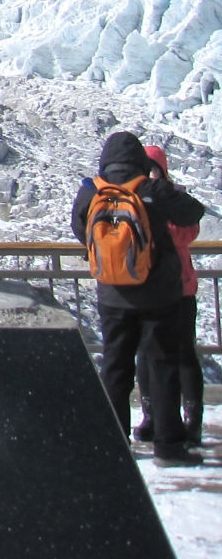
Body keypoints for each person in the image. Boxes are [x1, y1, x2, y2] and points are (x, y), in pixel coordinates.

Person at [71, 130, 204, 465]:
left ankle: (115, 443)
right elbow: (192, 213)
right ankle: (169, 447)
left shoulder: (90, 192)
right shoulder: (152, 190)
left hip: (112, 296)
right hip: (159, 297)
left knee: (115, 368)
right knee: (162, 368)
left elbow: (79, 228)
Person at [134, 144, 206, 447]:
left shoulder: (173, 197)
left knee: (184, 353)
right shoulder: (134, 195)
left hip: (179, 287)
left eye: (154, 168)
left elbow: (189, 231)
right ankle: (151, 415)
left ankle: (192, 420)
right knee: (146, 354)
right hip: (147, 288)